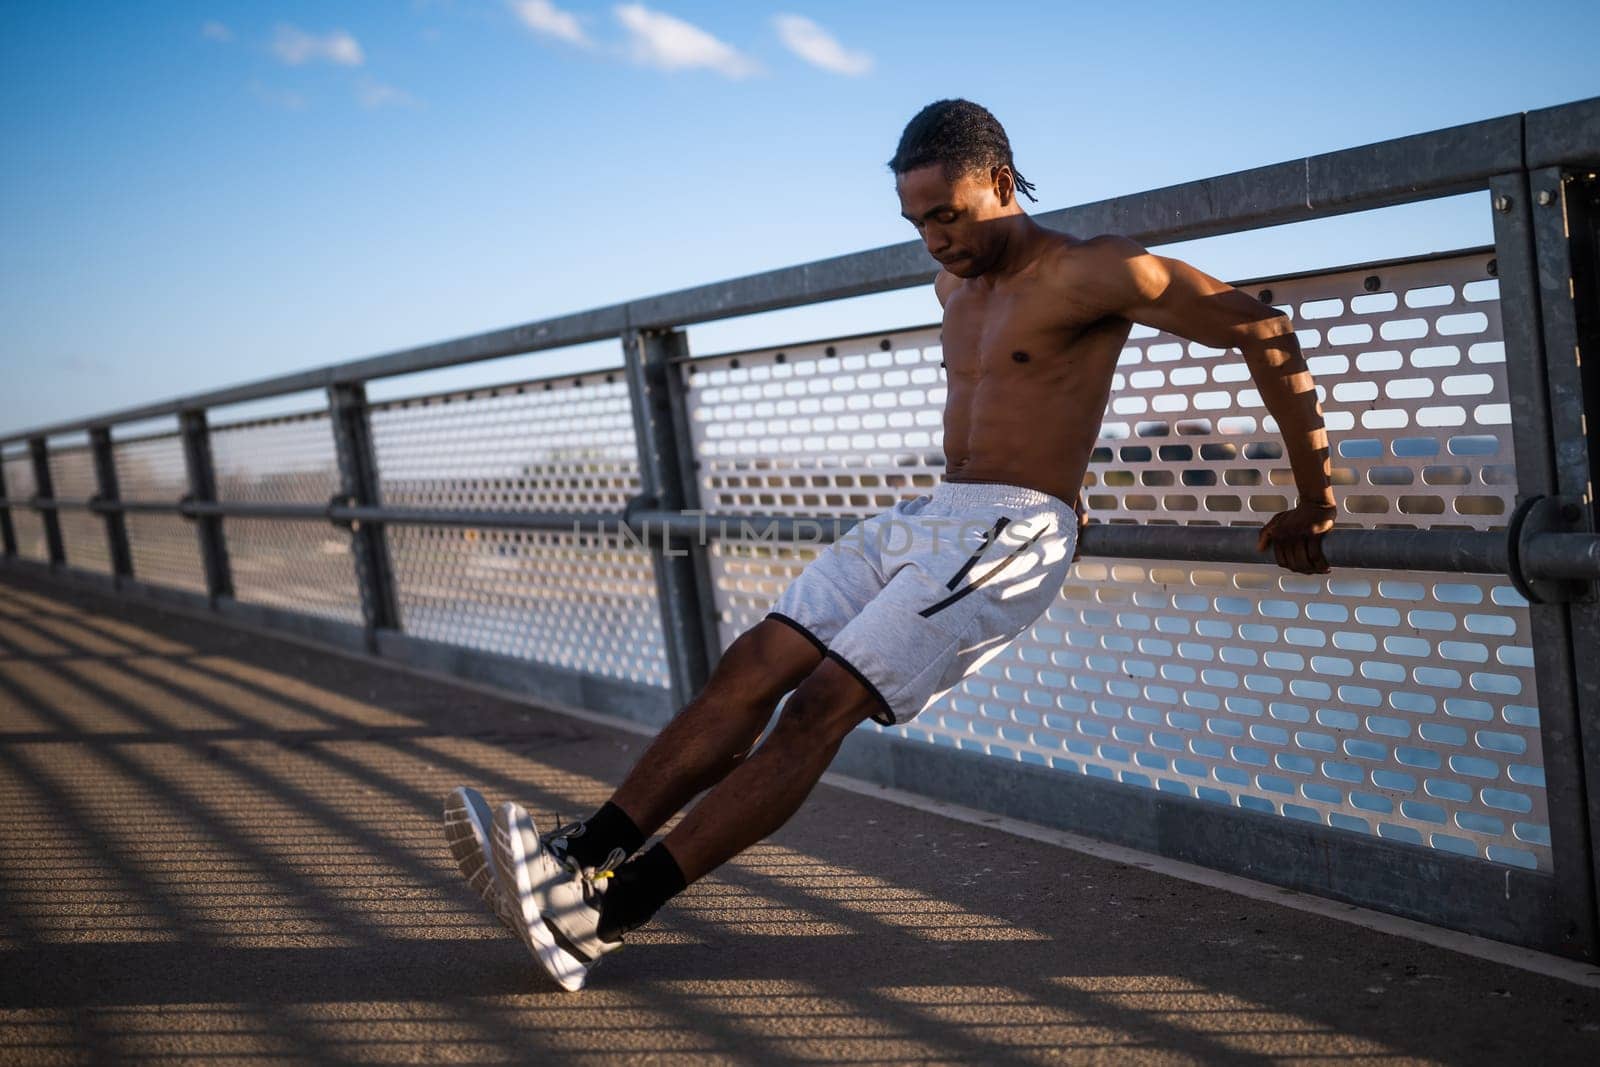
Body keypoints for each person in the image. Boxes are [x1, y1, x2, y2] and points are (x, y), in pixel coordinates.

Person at [442, 98, 1336, 991]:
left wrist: (1315, 496)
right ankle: (583, 855)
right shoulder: (953, 285)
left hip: (1011, 530)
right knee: (753, 662)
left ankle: (610, 913)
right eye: (917, 223)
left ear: (998, 181)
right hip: (936, 512)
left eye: (948, 214)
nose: (935, 240)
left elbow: (1261, 327)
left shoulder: (1092, 271)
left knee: (819, 705)